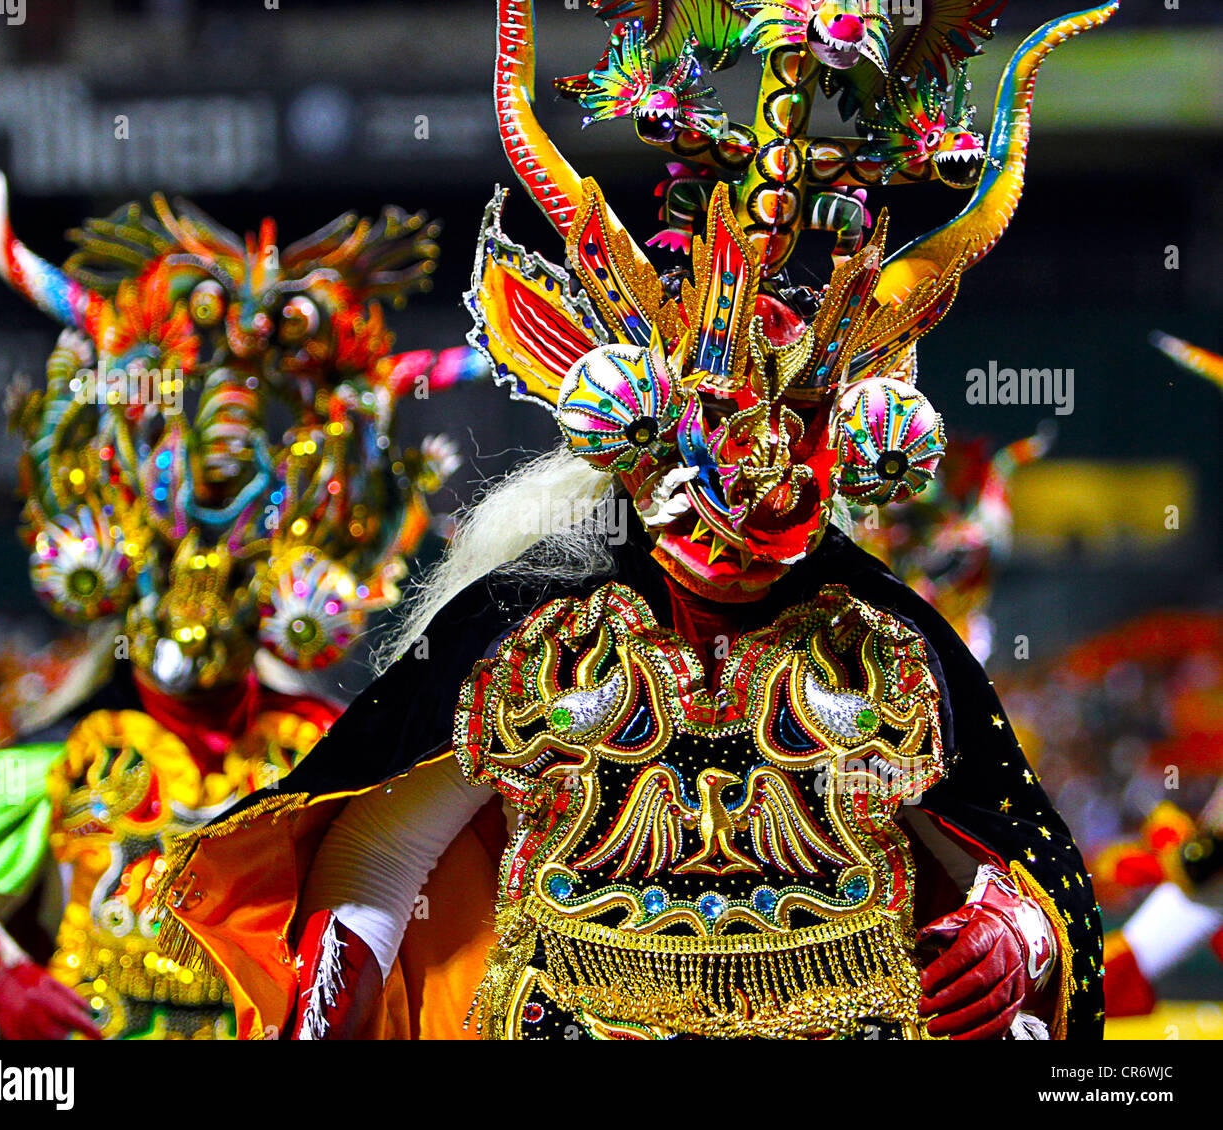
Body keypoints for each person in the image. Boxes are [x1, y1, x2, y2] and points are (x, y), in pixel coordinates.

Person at [157, 0, 1118, 1040]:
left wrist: (1011, 934)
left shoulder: (887, 650)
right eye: (718, 434)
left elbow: (1014, 853)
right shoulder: (527, 643)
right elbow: (381, 857)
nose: (751, 481)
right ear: (640, 428)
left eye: (794, 432)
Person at [0, 168, 475, 1039]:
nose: (198, 595)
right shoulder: (53, 769)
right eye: (170, 558)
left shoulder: (324, 768)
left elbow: (405, 906)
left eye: (238, 561)